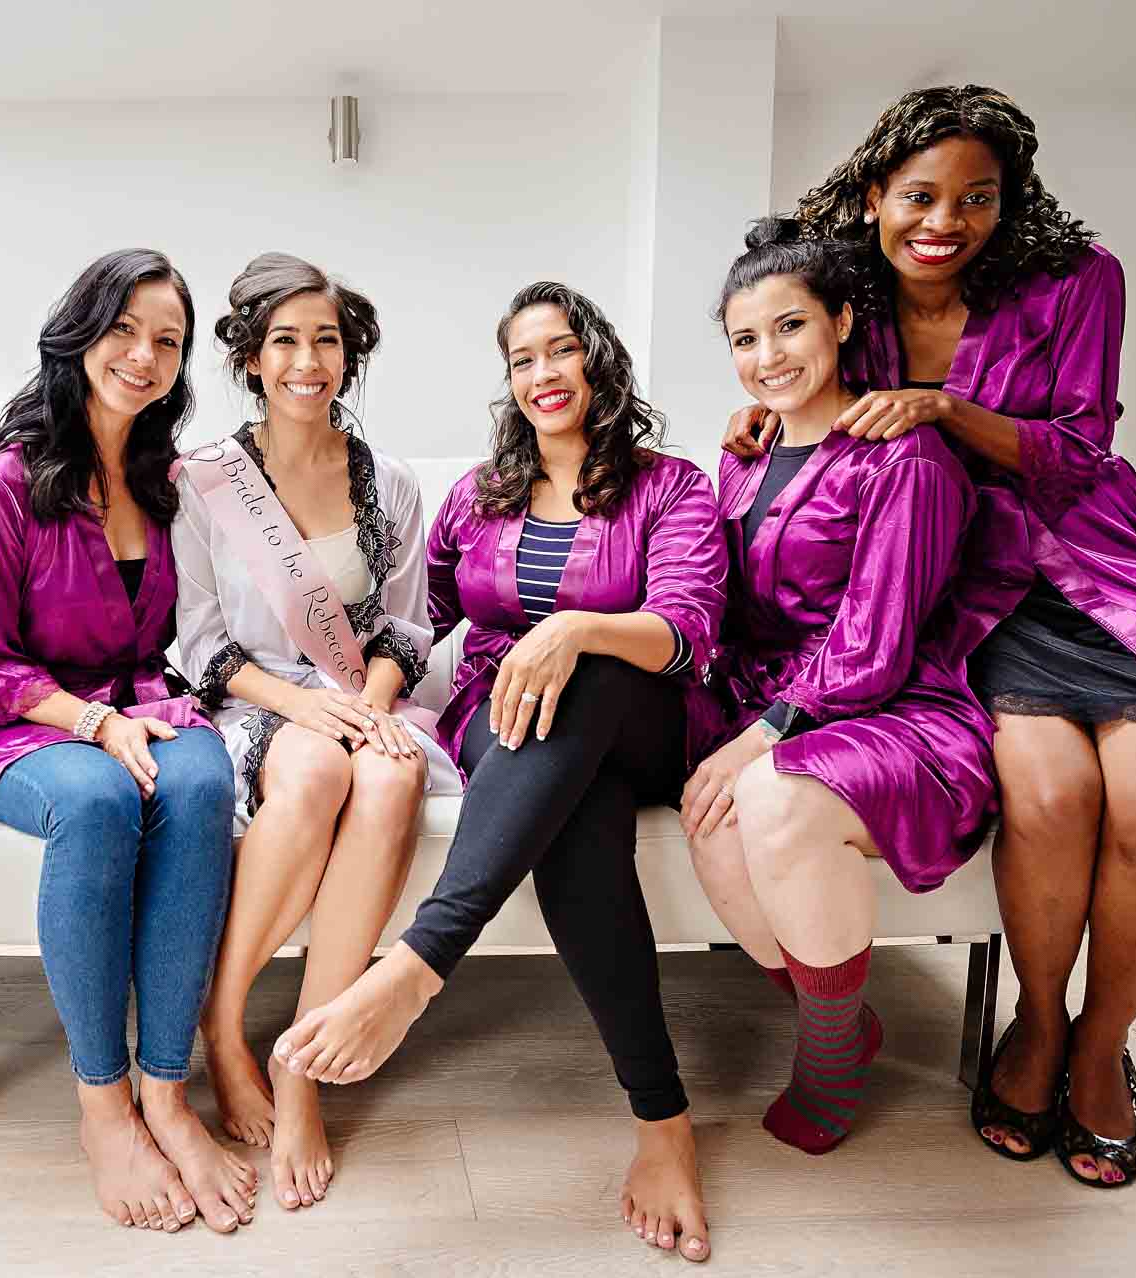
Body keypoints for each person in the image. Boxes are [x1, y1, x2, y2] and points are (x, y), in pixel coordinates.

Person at [721, 85, 1136, 1188]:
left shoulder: (1078, 282)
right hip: (965, 591)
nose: (943, 220)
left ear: (1010, 203)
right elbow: (800, 382)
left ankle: (1101, 1050)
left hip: (1101, 573)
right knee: (1050, 798)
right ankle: (1037, 1030)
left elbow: (1082, 450)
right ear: (875, 195)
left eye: (977, 198)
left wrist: (945, 409)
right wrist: (767, 424)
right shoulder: (846, 291)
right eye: (918, 195)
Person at [276, 282, 726, 1261]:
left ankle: (420, 961)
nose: (542, 374)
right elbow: (427, 614)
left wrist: (570, 630)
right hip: (510, 730)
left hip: (643, 717)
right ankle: (663, 1122)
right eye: (523, 359)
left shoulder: (672, 487)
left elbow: (686, 633)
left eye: (559, 350)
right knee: (580, 829)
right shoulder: (478, 496)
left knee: (591, 670)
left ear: (596, 358)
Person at [0, 249, 257, 1233]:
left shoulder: (174, 481)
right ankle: (101, 1101)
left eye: (167, 339)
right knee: (97, 799)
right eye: (124, 329)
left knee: (204, 785)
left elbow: (207, 619)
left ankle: (166, 1088)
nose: (144, 354)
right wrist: (94, 724)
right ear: (78, 334)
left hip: (146, 706)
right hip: (25, 724)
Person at [687, 218, 996, 1157]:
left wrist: (756, 737)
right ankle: (842, 1024)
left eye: (790, 327)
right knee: (708, 813)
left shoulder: (907, 460)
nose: (769, 356)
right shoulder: (740, 459)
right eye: (746, 339)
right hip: (766, 698)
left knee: (768, 795)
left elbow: (874, 646)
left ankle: (827, 1066)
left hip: (894, 706)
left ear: (842, 321)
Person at [172, 253, 459, 1211]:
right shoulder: (203, 481)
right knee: (318, 772)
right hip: (259, 697)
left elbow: (407, 627)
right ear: (250, 357)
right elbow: (200, 641)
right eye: (285, 340)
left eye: (326, 340)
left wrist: (370, 705)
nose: (308, 360)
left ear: (350, 353)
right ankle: (221, 1021)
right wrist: (309, 708)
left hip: (361, 692)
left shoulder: (393, 484)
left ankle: (301, 1058)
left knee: (386, 775)